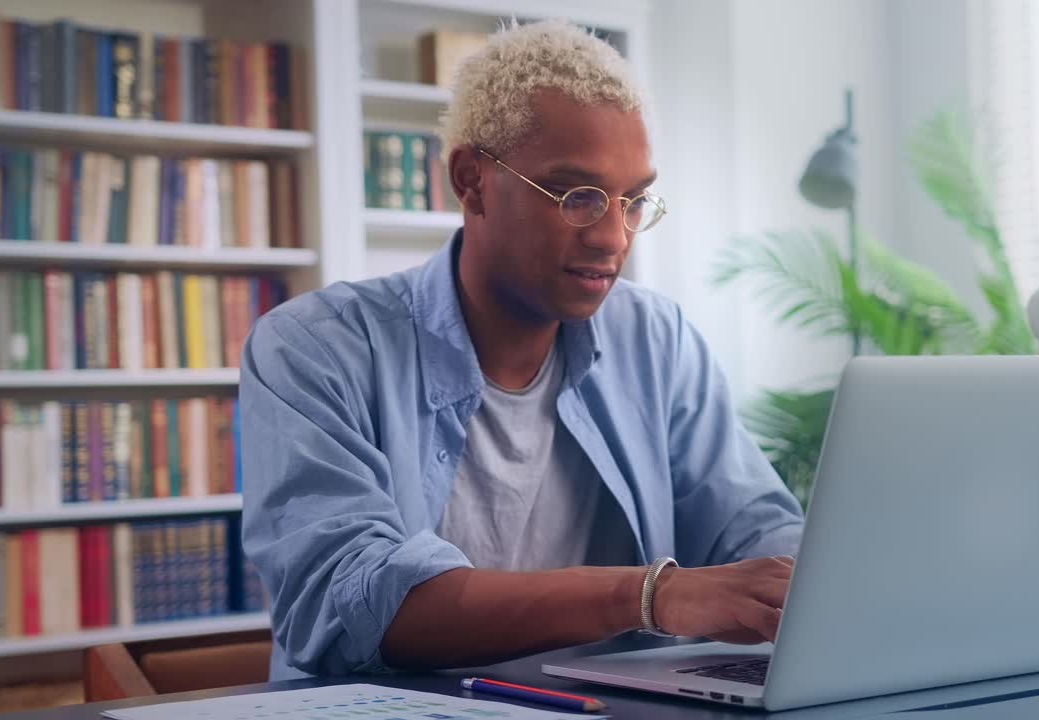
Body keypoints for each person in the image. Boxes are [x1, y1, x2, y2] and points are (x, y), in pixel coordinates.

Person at [240, 19, 802, 681]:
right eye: (578, 197)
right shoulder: (314, 348)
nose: (614, 238)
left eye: (634, 200)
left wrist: (811, 585)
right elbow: (352, 603)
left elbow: (751, 528)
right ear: (472, 180)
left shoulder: (656, 339)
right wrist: (649, 596)